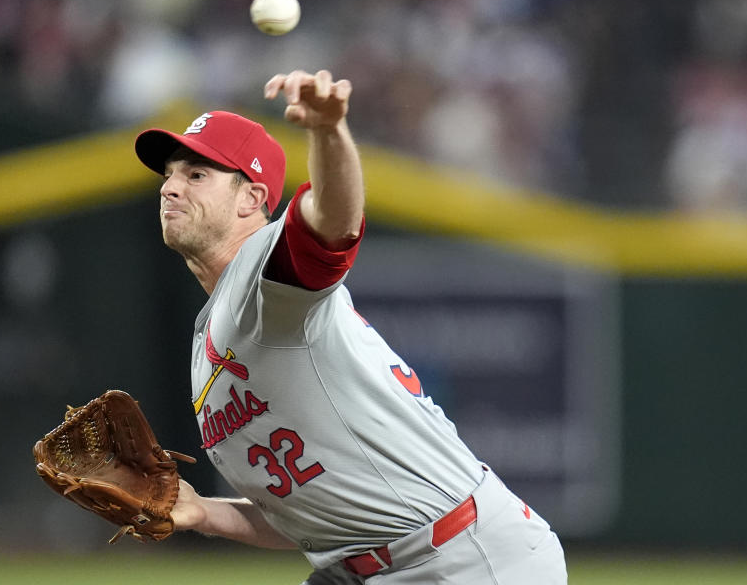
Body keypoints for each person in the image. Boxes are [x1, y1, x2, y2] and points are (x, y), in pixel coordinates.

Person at [133, 69, 568, 584]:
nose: (172, 188)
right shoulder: (209, 341)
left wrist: (328, 132)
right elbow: (307, 518)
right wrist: (204, 511)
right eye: (170, 175)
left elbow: (332, 226)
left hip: (465, 559)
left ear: (251, 199)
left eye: (197, 175)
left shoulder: (264, 277)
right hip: (356, 568)